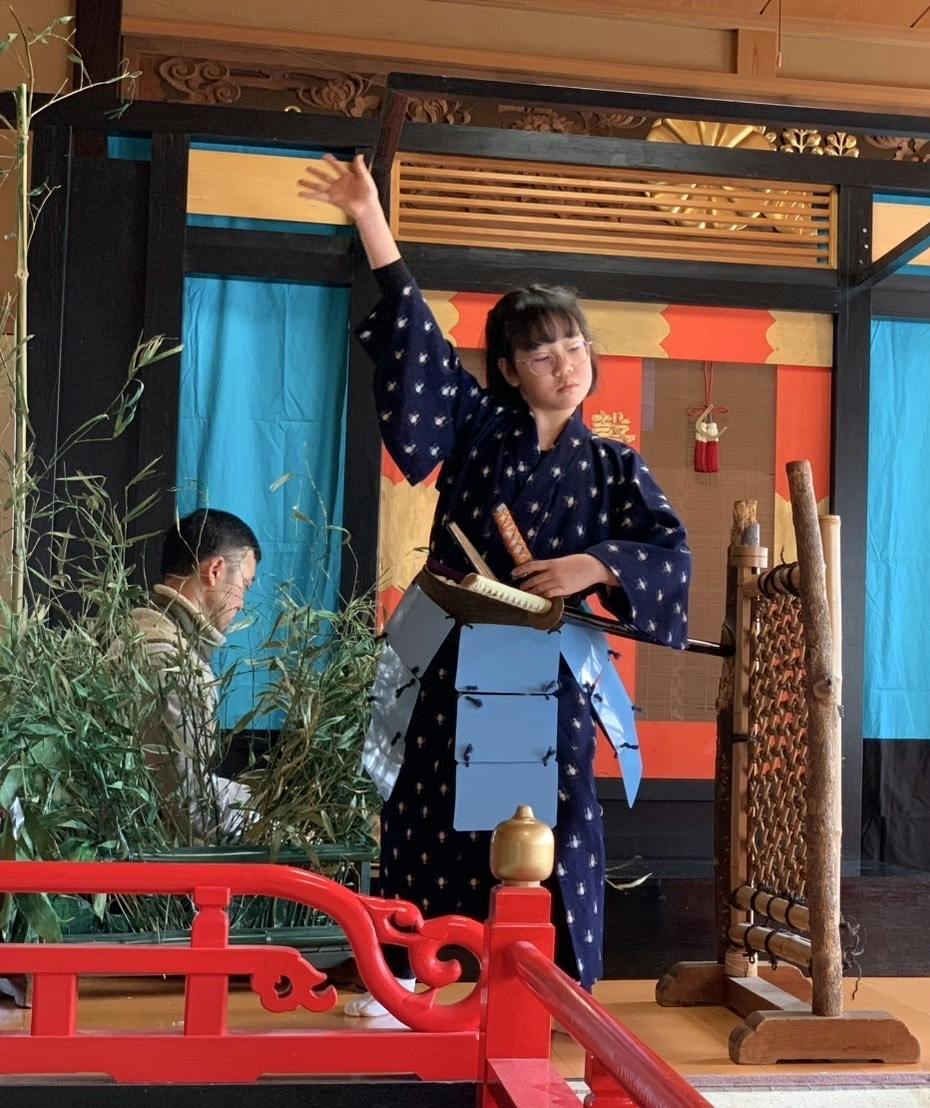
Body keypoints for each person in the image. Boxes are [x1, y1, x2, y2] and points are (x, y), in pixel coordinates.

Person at [298, 154, 691, 1011]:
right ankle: (406, 969)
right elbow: (416, 341)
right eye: (541, 353)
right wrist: (371, 222)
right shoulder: (475, 424)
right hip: (452, 650)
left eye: (574, 347)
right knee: (425, 802)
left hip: (550, 664)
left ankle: (552, 983)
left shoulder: (614, 464)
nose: (565, 364)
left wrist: (594, 564)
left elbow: (667, 551)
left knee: (555, 811)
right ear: (509, 369)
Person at [130, 508, 260, 843]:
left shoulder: (132, 630)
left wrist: (247, 799)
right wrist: (268, 830)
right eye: (245, 585)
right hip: (147, 864)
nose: (242, 604)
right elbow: (189, 809)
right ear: (215, 570)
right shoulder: (170, 663)